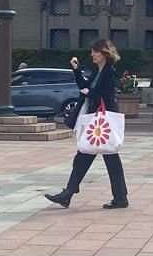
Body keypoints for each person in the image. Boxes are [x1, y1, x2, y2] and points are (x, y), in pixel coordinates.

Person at [45, 39, 129, 210]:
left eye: (95, 52)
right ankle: (69, 194)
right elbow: (84, 86)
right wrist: (76, 70)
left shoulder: (109, 71)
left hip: (102, 122)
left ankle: (119, 198)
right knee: (86, 157)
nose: (92, 54)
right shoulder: (97, 71)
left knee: (100, 158)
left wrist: (90, 92)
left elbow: (103, 93)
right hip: (96, 122)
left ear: (104, 53)